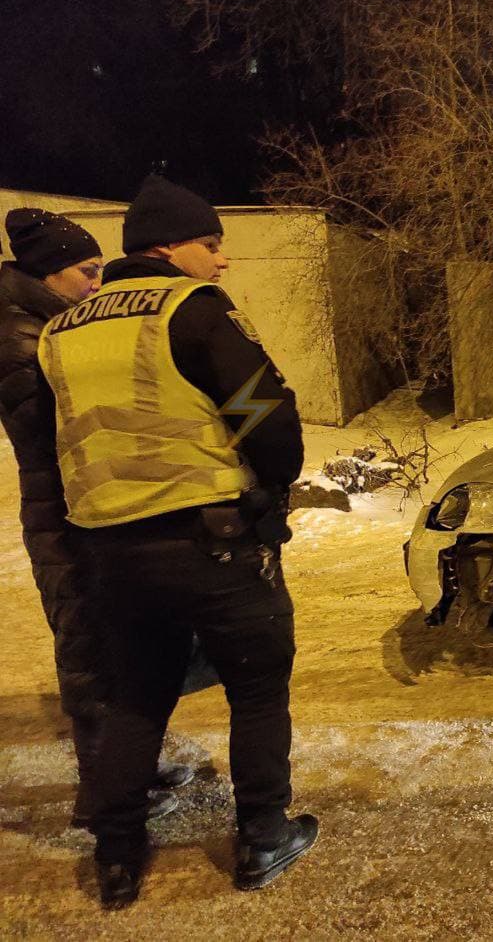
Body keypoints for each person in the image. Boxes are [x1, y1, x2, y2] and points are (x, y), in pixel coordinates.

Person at [36, 175, 317, 908]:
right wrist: (273, 491)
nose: (222, 261)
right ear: (169, 247)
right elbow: (265, 410)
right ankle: (262, 837)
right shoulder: (191, 310)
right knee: (257, 687)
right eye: (212, 245)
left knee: (135, 699)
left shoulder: (62, 327)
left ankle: (119, 859)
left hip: (109, 554)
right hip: (209, 541)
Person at [0, 209, 195, 833]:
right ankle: (102, 795)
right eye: (87, 271)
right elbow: (49, 426)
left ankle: (127, 770)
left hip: (84, 500)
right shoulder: (19, 334)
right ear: (50, 273)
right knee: (85, 641)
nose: (96, 282)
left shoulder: (42, 322)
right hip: (62, 512)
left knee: (116, 638)